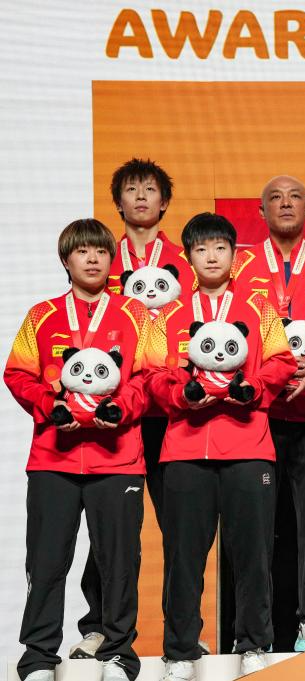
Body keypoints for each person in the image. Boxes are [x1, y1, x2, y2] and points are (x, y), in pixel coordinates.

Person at [146, 213, 296, 681]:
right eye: (201, 249)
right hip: (184, 451)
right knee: (183, 558)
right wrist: (182, 395)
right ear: (189, 257)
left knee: (252, 556)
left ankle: (253, 644)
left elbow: (282, 361)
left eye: (220, 248)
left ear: (234, 254)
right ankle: (179, 652)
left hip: (249, 449)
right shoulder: (169, 314)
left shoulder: (259, 307)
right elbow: (152, 374)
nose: (211, 257)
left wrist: (253, 387)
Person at [5, 219, 149, 681]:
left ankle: (119, 653)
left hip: (118, 459)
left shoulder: (136, 315)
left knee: (119, 563)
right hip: (54, 459)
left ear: (111, 260)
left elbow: (149, 377)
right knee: (46, 561)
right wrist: (51, 407)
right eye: (82, 251)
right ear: (66, 260)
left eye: (101, 251)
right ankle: (37, 657)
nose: (92, 259)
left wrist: (120, 409)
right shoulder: (41, 315)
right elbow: (17, 374)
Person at [72, 158, 196, 660]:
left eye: (150, 190)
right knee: (111, 529)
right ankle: (99, 626)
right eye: (131, 189)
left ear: (164, 202)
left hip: (171, 415)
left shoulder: (186, 260)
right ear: (118, 201)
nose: (141, 197)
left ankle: (182, 633)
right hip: (115, 415)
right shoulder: (103, 259)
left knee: (180, 529)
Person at [231, 175, 305, 650]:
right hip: (256, 417)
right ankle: (252, 630)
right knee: (254, 529)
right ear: (261, 211)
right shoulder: (238, 265)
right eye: (275, 197)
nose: (286, 204)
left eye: (295, 197)